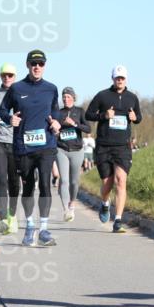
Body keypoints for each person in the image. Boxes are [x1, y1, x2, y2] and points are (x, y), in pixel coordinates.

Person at [0, 49, 62, 247]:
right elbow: (1, 109)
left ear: (45, 66)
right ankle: (30, 225)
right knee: (28, 187)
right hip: (23, 147)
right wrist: (10, 118)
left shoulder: (51, 88)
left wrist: (57, 122)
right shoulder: (16, 88)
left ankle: (44, 229)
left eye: (41, 64)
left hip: (46, 145)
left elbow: (55, 110)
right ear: (27, 65)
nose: (37, 67)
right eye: (34, 64)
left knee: (44, 183)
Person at [86, 65, 142, 233]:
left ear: (126, 79)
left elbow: (138, 117)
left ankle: (117, 220)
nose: (120, 80)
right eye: (117, 78)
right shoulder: (102, 96)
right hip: (104, 146)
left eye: (122, 78)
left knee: (121, 180)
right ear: (113, 78)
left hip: (122, 147)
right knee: (107, 185)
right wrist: (103, 116)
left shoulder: (132, 98)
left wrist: (135, 118)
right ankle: (104, 203)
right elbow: (88, 114)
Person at [0, 63, 21, 234]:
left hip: (16, 141)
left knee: (14, 181)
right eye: (4, 75)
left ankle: (12, 215)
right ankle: (2, 220)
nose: (7, 78)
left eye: (10, 75)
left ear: (14, 77)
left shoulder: (21, 94)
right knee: (1, 179)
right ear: (0, 76)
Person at [55, 87, 90, 221]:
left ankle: (72, 203)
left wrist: (74, 124)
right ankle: (66, 210)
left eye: (68, 97)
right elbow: (52, 128)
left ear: (74, 98)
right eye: (64, 97)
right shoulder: (58, 113)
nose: (66, 99)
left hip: (77, 150)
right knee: (64, 180)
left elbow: (88, 128)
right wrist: (56, 130)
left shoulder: (80, 111)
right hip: (61, 149)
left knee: (74, 182)